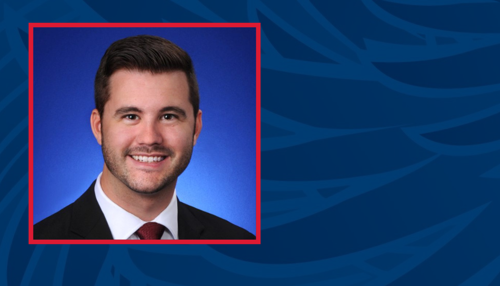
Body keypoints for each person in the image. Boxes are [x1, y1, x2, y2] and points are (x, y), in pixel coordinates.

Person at [34, 35, 255, 240]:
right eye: (131, 116)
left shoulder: (239, 245)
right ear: (98, 127)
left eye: (168, 116)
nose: (150, 138)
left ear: (196, 128)